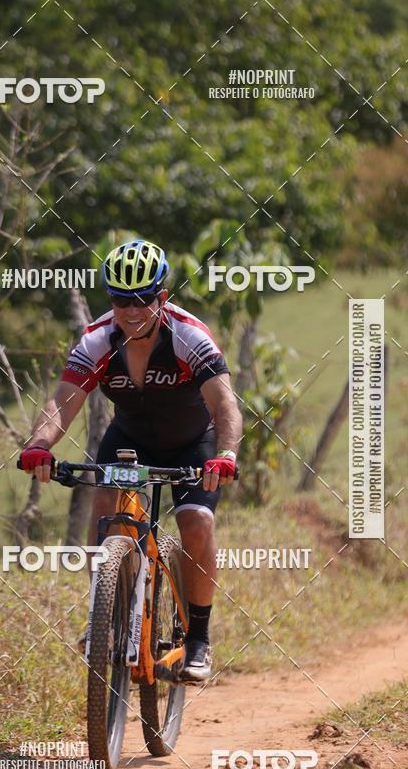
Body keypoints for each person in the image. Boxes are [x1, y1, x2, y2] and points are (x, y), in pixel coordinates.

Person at [19, 239, 242, 681]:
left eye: (143, 299)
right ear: (110, 300)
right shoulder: (97, 339)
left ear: (162, 297)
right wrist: (39, 445)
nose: (132, 310)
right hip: (130, 440)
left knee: (196, 520)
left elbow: (225, 404)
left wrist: (226, 454)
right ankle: (104, 615)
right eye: (122, 300)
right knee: (104, 507)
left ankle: (199, 639)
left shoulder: (189, 336)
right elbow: (63, 403)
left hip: (192, 443)